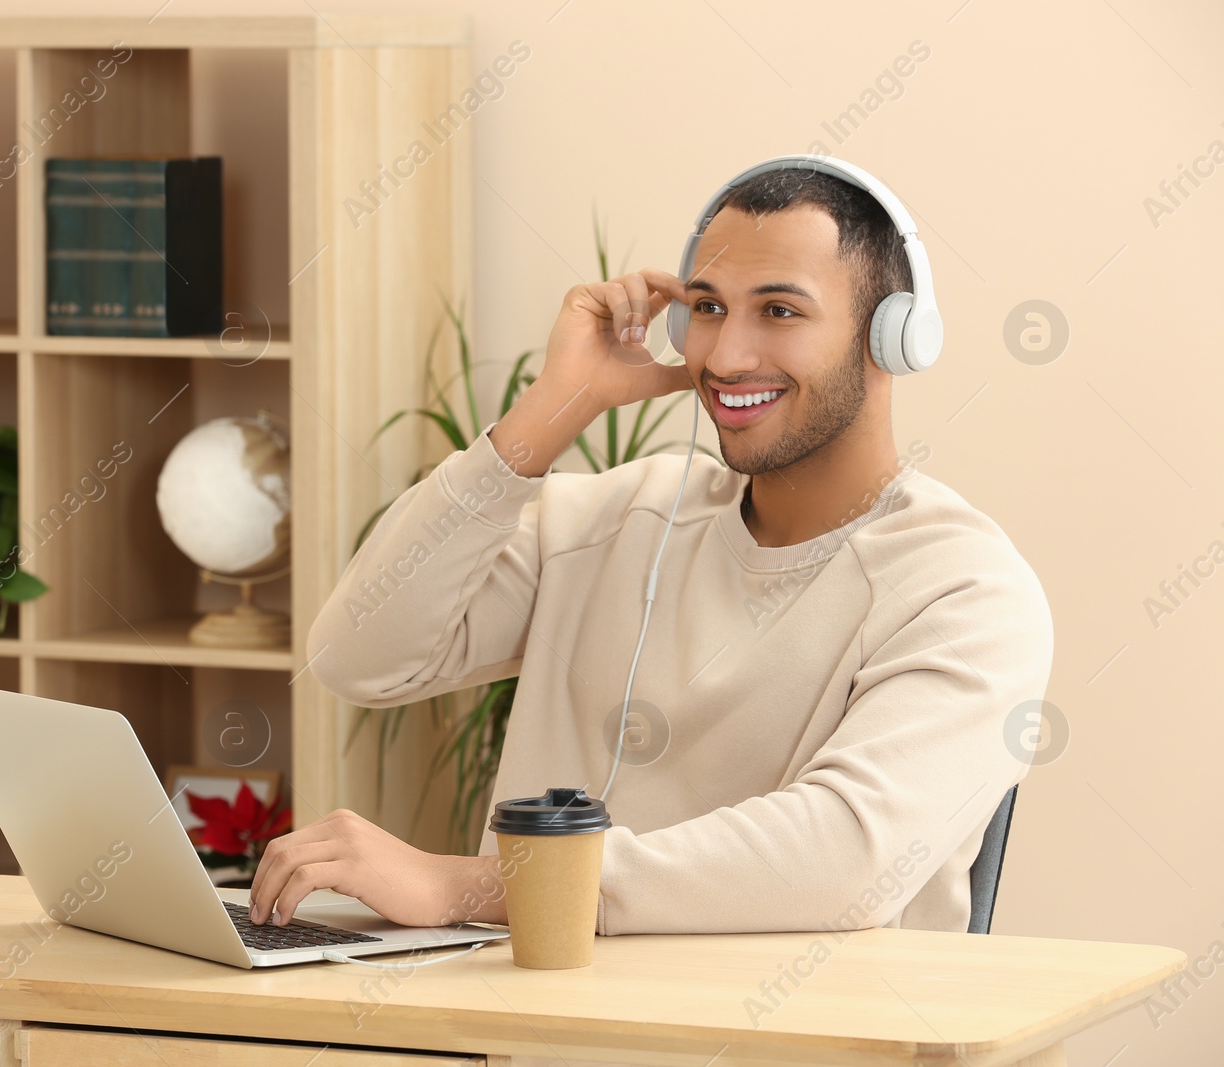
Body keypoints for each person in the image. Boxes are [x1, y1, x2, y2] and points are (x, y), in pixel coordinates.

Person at [246, 163, 1053, 937]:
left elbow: (847, 855)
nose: (727, 356)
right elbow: (359, 657)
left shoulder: (966, 590)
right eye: (706, 308)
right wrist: (552, 411)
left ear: (894, 336)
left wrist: (468, 886)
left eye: (779, 311)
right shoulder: (624, 518)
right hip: (539, 1040)